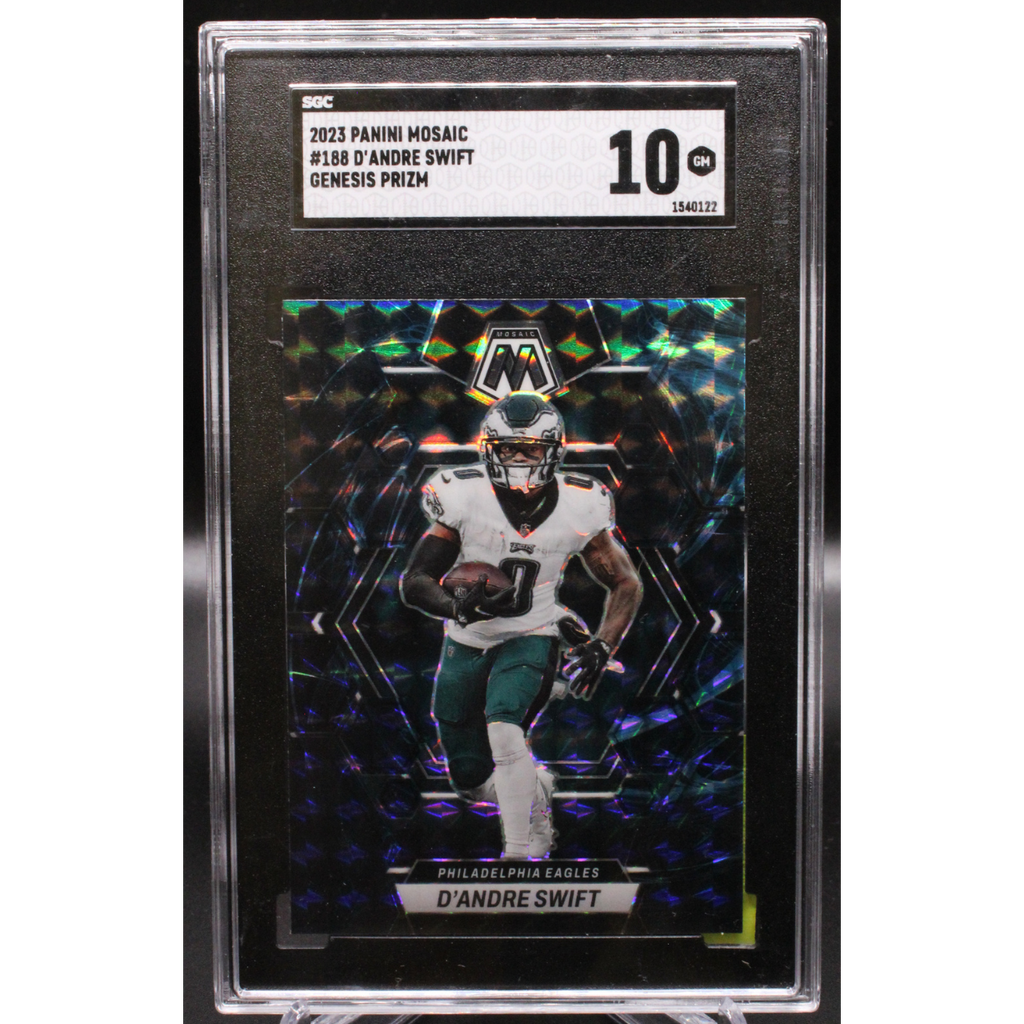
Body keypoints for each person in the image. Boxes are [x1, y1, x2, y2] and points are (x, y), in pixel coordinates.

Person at [400, 390, 642, 860]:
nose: (517, 459)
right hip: (467, 639)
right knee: (468, 777)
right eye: (508, 448)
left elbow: (625, 582)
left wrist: (602, 645)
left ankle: (518, 854)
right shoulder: (463, 496)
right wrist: (456, 607)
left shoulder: (581, 503)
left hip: (534, 633)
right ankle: (535, 790)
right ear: (489, 449)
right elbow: (416, 581)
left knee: (504, 727)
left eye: (530, 449)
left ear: (553, 452)